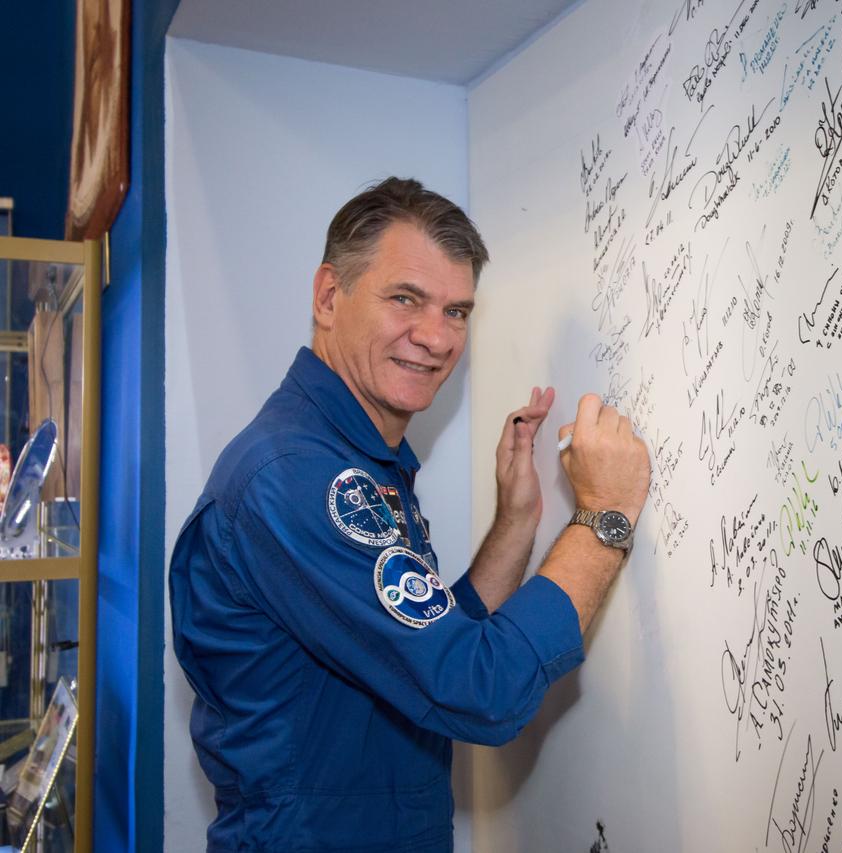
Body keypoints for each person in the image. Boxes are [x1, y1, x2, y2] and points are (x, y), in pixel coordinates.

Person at [169, 178, 651, 852]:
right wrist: (603, 516)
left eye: (457, 311)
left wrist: (516, 522)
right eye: (406, 299)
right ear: (329, 296)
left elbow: (422, 646)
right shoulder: (298, 478)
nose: (435, 336)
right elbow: (478, 688)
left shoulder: (361, 459)